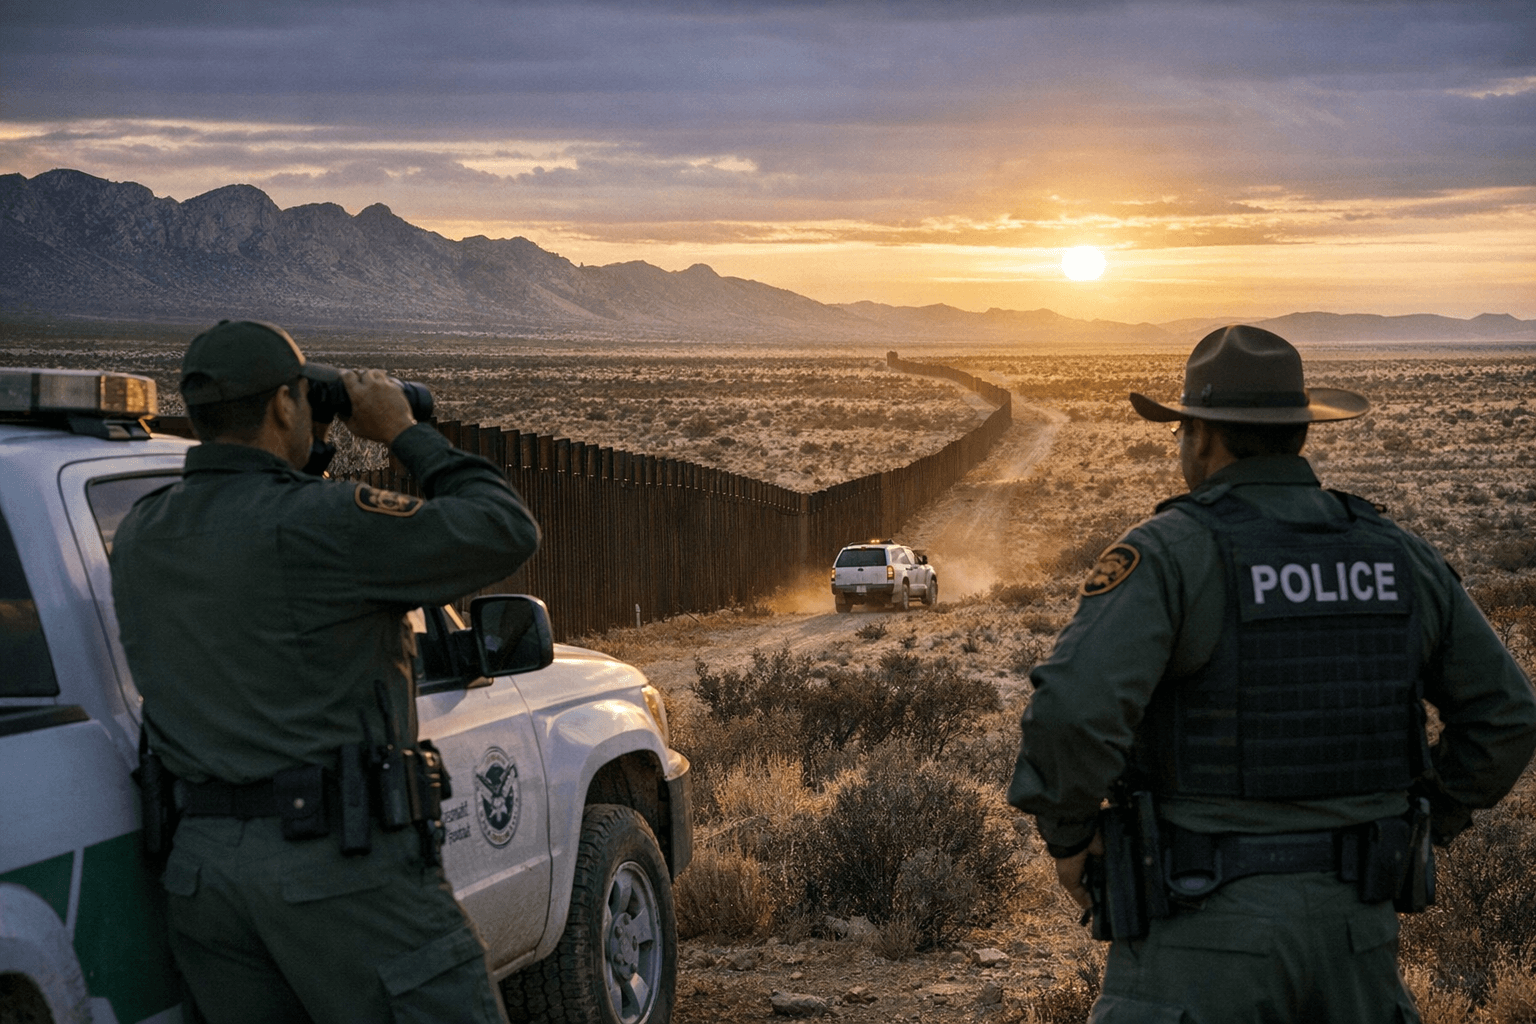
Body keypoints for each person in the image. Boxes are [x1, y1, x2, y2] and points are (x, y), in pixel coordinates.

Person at [1006, 324, 1536, 1022]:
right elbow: (1505, 714)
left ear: (1204, 436)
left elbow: (1074, 712)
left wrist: (1070, 839)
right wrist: (1427, 820)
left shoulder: (1173, 553)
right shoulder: (1396, 554)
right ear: (1298, 433)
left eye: (1183, 433)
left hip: (1199, 930)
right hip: (1358, 940)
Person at [111, 320, 541, 1023]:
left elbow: (259, 543)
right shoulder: (327, 524)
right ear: (286, 405)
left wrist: (303, 457)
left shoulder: (142, 530)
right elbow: (503, 527)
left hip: (203, 876)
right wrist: (403, 432)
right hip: (340, 874)